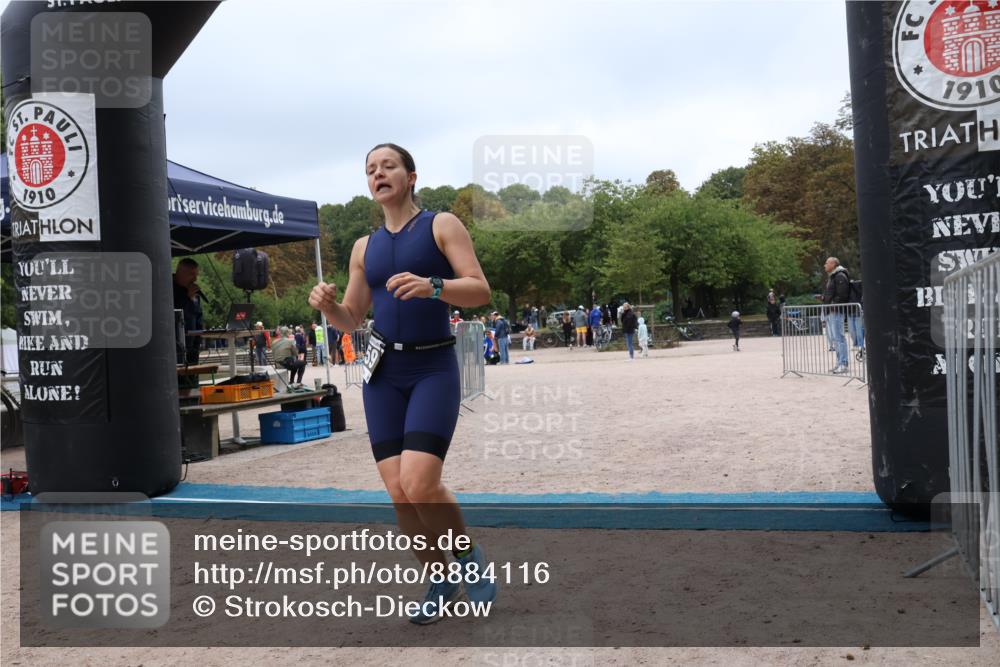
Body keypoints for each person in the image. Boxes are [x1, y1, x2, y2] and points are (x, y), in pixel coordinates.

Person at [308, 143, 497, 624]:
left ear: (411, 176)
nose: (378, 174)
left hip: (433, 368)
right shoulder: (363, 248)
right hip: (383, 374)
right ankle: (441, 579)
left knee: (419, 482)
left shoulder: (441, 225)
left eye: (387, 166)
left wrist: (435, 286)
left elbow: (479, 289)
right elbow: (352, 319)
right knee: (399, 492)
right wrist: (327, 305)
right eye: (370, 170)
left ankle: (468, 558)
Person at [172, 258, 204, 386]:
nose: (195, 279)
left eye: (196, 275)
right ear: (181, 272)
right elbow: (174, 313)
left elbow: (198, 316)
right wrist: (188, 297)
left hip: (192, 346)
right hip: (176, 347)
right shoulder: (167, 287)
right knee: (180, 385)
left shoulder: (193, 291)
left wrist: (198, 340)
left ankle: (195, 403)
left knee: (193, 383)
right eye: (192, 275)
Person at [821, 256, 851, 374]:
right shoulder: (833, 276)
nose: (825, 265)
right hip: (831, 311)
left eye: (827, 263)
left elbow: (843, 294)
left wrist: (833, 305)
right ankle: (839, 363)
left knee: (839, 337)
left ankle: (843, 364)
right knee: (835, 338)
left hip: (835, 311)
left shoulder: (840, 276)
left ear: (833, 264)